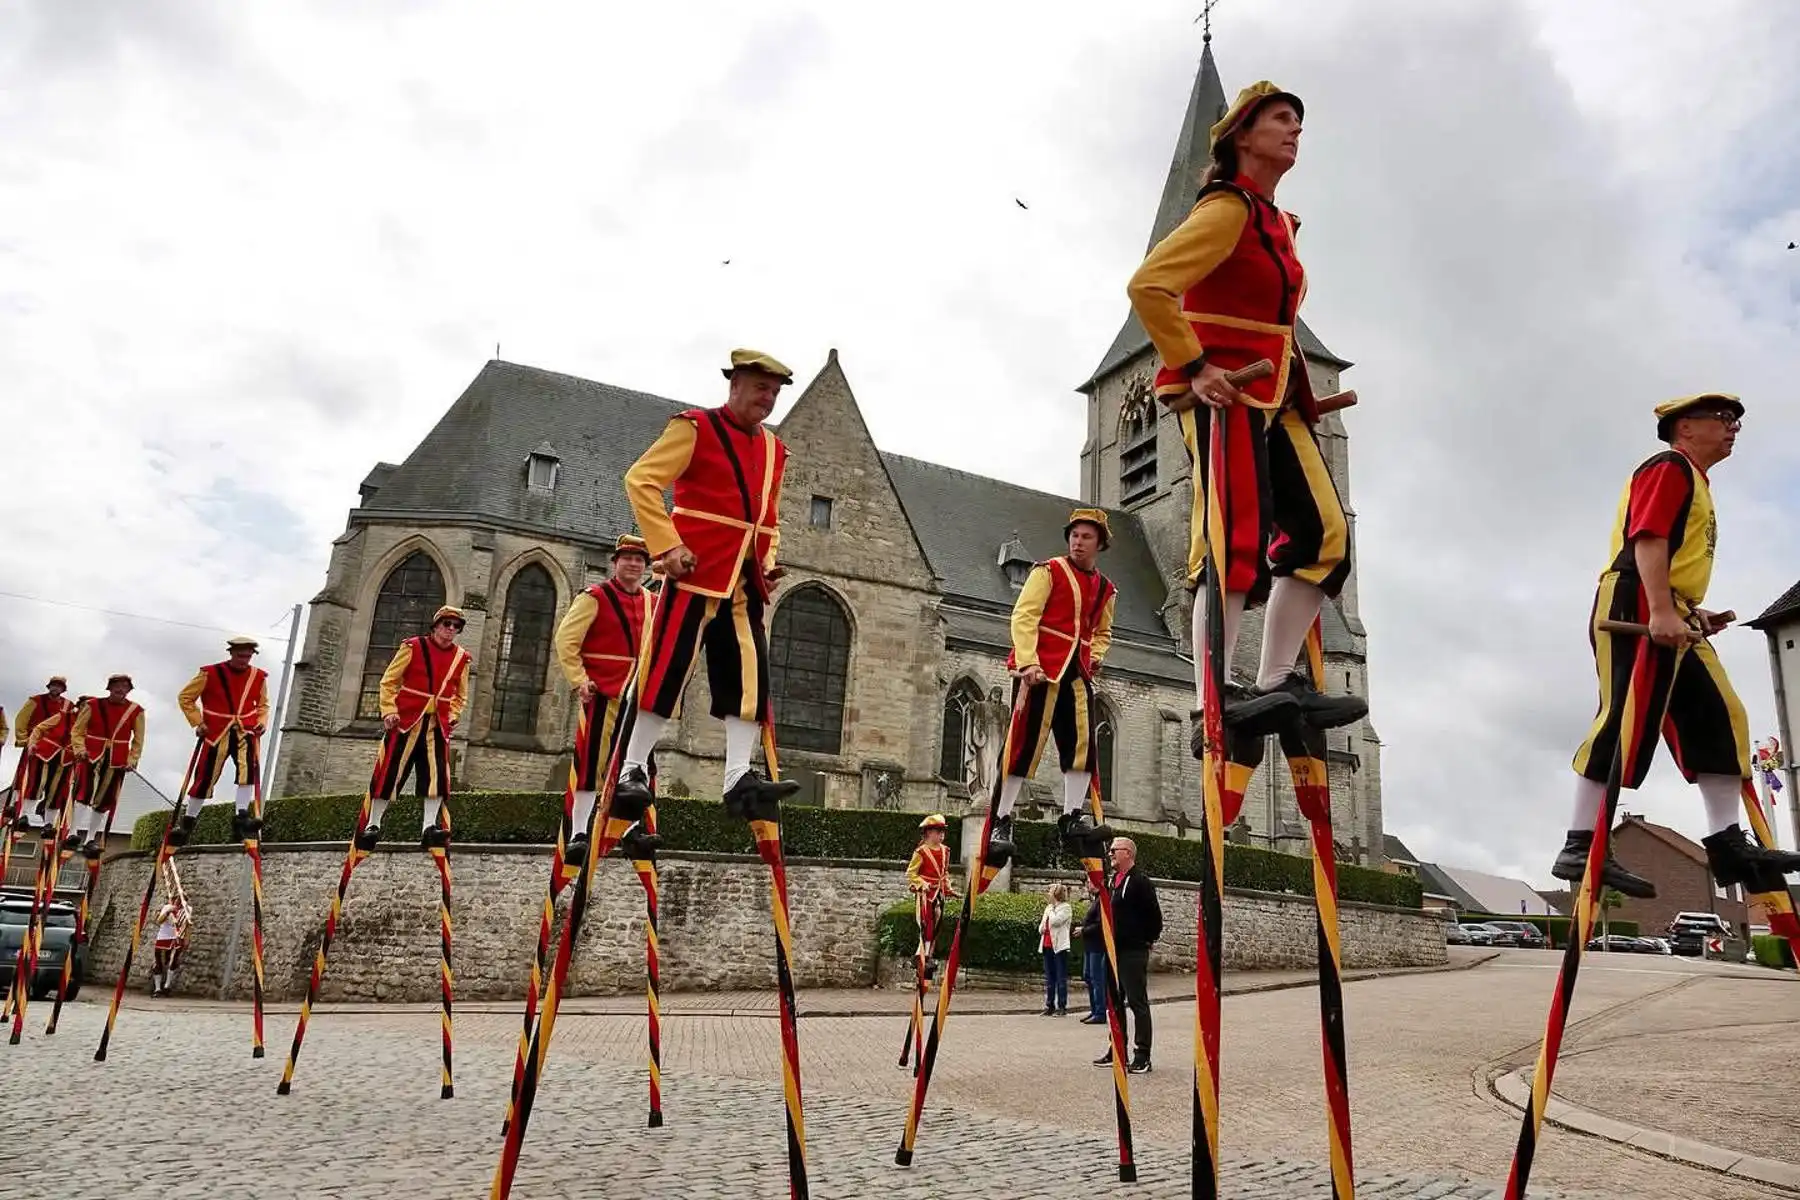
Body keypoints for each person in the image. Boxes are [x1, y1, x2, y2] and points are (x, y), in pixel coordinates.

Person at [1124, 80, 1367, 747]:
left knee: (1325, 537)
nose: (1295, 129)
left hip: (1278, 399)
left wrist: (1306, 394)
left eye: (1299, 120)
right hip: (1228, 393)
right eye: (1282, 118)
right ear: (1242, 136)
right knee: (1235, 540)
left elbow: (1276, 323)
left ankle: (1275, 684)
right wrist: (1197, 366)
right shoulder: (1228, 211)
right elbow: (1149, 286)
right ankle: (1213, 701)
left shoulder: (1272, 224)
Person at [1556, 394, 1800, 898]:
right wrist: (1661, 608)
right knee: (1627, 716)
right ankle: (1580, 845)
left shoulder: (1698, 481)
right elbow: (1647, 538)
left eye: (1736, 421)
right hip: (1636, 601)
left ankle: (1727, 843)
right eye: (1724, 419)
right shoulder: (1669, 467)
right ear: (1685, 427)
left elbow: (1675, 553)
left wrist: (1688, 607)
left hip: (1676, 608)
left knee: (1720, 714)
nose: (1734, 428)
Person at [614, 349, 800, 823]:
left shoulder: (776, 451)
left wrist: (768, 563)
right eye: (761, 388)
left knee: (750, 677)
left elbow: (769, 521)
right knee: (667, 668)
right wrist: (667, 546)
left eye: (775, 393)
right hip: (693, 571)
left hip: (743, 580)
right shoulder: (694, 428)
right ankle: (632, 768)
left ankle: (738, 776)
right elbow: (642, 481)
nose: (768, 399)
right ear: (735, 383)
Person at [985, 509, 1119, 867]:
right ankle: (1002, 821)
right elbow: (1024, 615)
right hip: (1040, 671)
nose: (1077, 541)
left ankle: (1072, 816)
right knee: (1023, 744)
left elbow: (1102, 632)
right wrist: (1028, 661)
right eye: (1074, 535)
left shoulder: (1106, 589)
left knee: (1083, 747)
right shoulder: (1048, 571)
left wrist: (1096, 655)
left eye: (1086, 537)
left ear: (1099, 544)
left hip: (1077, 675)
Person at [552, 533, 658, 859]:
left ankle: (629, 830)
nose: (633, 563)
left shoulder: (653, 603)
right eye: (627, 558)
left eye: (639, 559)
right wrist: (579, 680)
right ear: (615, 563)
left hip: (637, 697)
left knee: (636, 768)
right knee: (590, 764)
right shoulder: (594, 596)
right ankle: (580, 832)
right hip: (602, 692)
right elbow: (566, 641)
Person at [359, 605, 472, 849]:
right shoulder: (412, 647)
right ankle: (373, 825)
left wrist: (453, 714)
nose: (451, 629)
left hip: (437, 724)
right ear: (436, 625)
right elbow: (389, 681)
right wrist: (389, 710)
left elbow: (460, 696)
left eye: (456, 626)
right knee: (390, 772)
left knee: (437, 776)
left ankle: (429, 828)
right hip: (406, 721)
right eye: (446, 624)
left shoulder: (462, 658)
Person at [173, 637, 270, 845]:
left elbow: (262, 705)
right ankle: (187, 822)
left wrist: (262, 721)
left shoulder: (258, 676)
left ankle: (241, 817)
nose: (244, 660)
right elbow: (185, 698)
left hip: (246, 729)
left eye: (248, 656)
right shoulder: (209, 672)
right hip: (216, 730)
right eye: (240, 655)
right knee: (205, 775)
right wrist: (198, 722)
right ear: (232, 653)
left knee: (247, 772)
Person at [1093, 837, 1161, 1074]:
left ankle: (1142, 1055)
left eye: (1114, 850)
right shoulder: (1114, 881)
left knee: (1136, 1001)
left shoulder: (1140, 882)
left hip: (1133, 950)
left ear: (1128, 854)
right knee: (1114, 1003)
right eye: (1109, 849)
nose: (1110, 853)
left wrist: (1147, 939)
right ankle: (1117, 1049)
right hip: (1113, 951)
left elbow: (1154, 915)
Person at [68, 674, 145, 857]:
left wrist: (132, 760)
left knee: (104, 800)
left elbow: (138, 740)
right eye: (117, 685)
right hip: (91, 754)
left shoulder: (136, 711)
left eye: (125, 686)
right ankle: (72, 833)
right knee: (83, 793)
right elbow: (77, 731)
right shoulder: (92, 705)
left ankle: (90, 839)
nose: (120, 689)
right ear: (109, 688)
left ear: (129, 690)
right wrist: (80, 749)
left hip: (117, 758)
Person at [10, 676, 73, 830]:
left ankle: (45, 810)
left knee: (53, 782)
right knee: (27, 776)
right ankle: (16, 805)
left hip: (57, 749)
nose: (56, 689)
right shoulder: (36, 701)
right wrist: (25, 740)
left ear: (63, 690)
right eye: (53, 685)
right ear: (49, 686)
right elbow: (21, 720)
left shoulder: (68, 705)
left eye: (59, 686)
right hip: (36, 744)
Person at [906, 812, 957, 978]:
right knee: (926, 922)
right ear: (928, 833)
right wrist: (922, 884)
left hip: (939, 892)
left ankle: (926, 955)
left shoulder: (945, 851)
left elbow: (945, 873)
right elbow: (911, 873)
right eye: (938, 831)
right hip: (926, 894)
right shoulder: (921, 852)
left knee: (937, 922)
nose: (941, 835)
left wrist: (949, 888)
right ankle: (923, 955)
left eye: (943, 832)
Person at [1037, 882, 1072, 1017]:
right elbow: (1042, 926)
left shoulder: (1066, 908)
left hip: (1059, 947)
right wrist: (1042, 927)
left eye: (1050, 892)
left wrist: (1051, 910)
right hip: (1047, 945)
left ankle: (1062, 1006)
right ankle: (1050, 1005)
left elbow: (1056, 921)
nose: (1048, 895)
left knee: (1060, 977)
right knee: (1049, 978)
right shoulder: (1048, 908)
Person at [1078, 882, 1108, 1025]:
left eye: (1090, 882)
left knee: (1097, 979)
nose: (1088, 885)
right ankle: (1094, 1009)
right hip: (1090, 945)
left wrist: (1083, 930)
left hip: (1097, 945)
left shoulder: (1102, 900)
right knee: (1088, 977)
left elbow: (1100, 924)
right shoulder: (1096, 900)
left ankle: (1100, 1012)